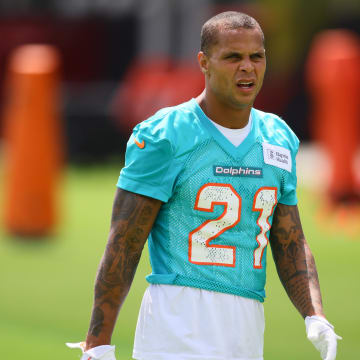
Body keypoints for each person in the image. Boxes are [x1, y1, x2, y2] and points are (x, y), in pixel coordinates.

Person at [67, 11, 341, 360]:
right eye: (233, 57)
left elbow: (289, 240)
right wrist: (97, 343)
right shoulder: (168, 134)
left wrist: (314, 314)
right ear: (204, 62)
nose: (247, 67)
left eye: (256, 57)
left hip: (247, 326)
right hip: (176, 322)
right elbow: (124, 242)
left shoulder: (277, 138)